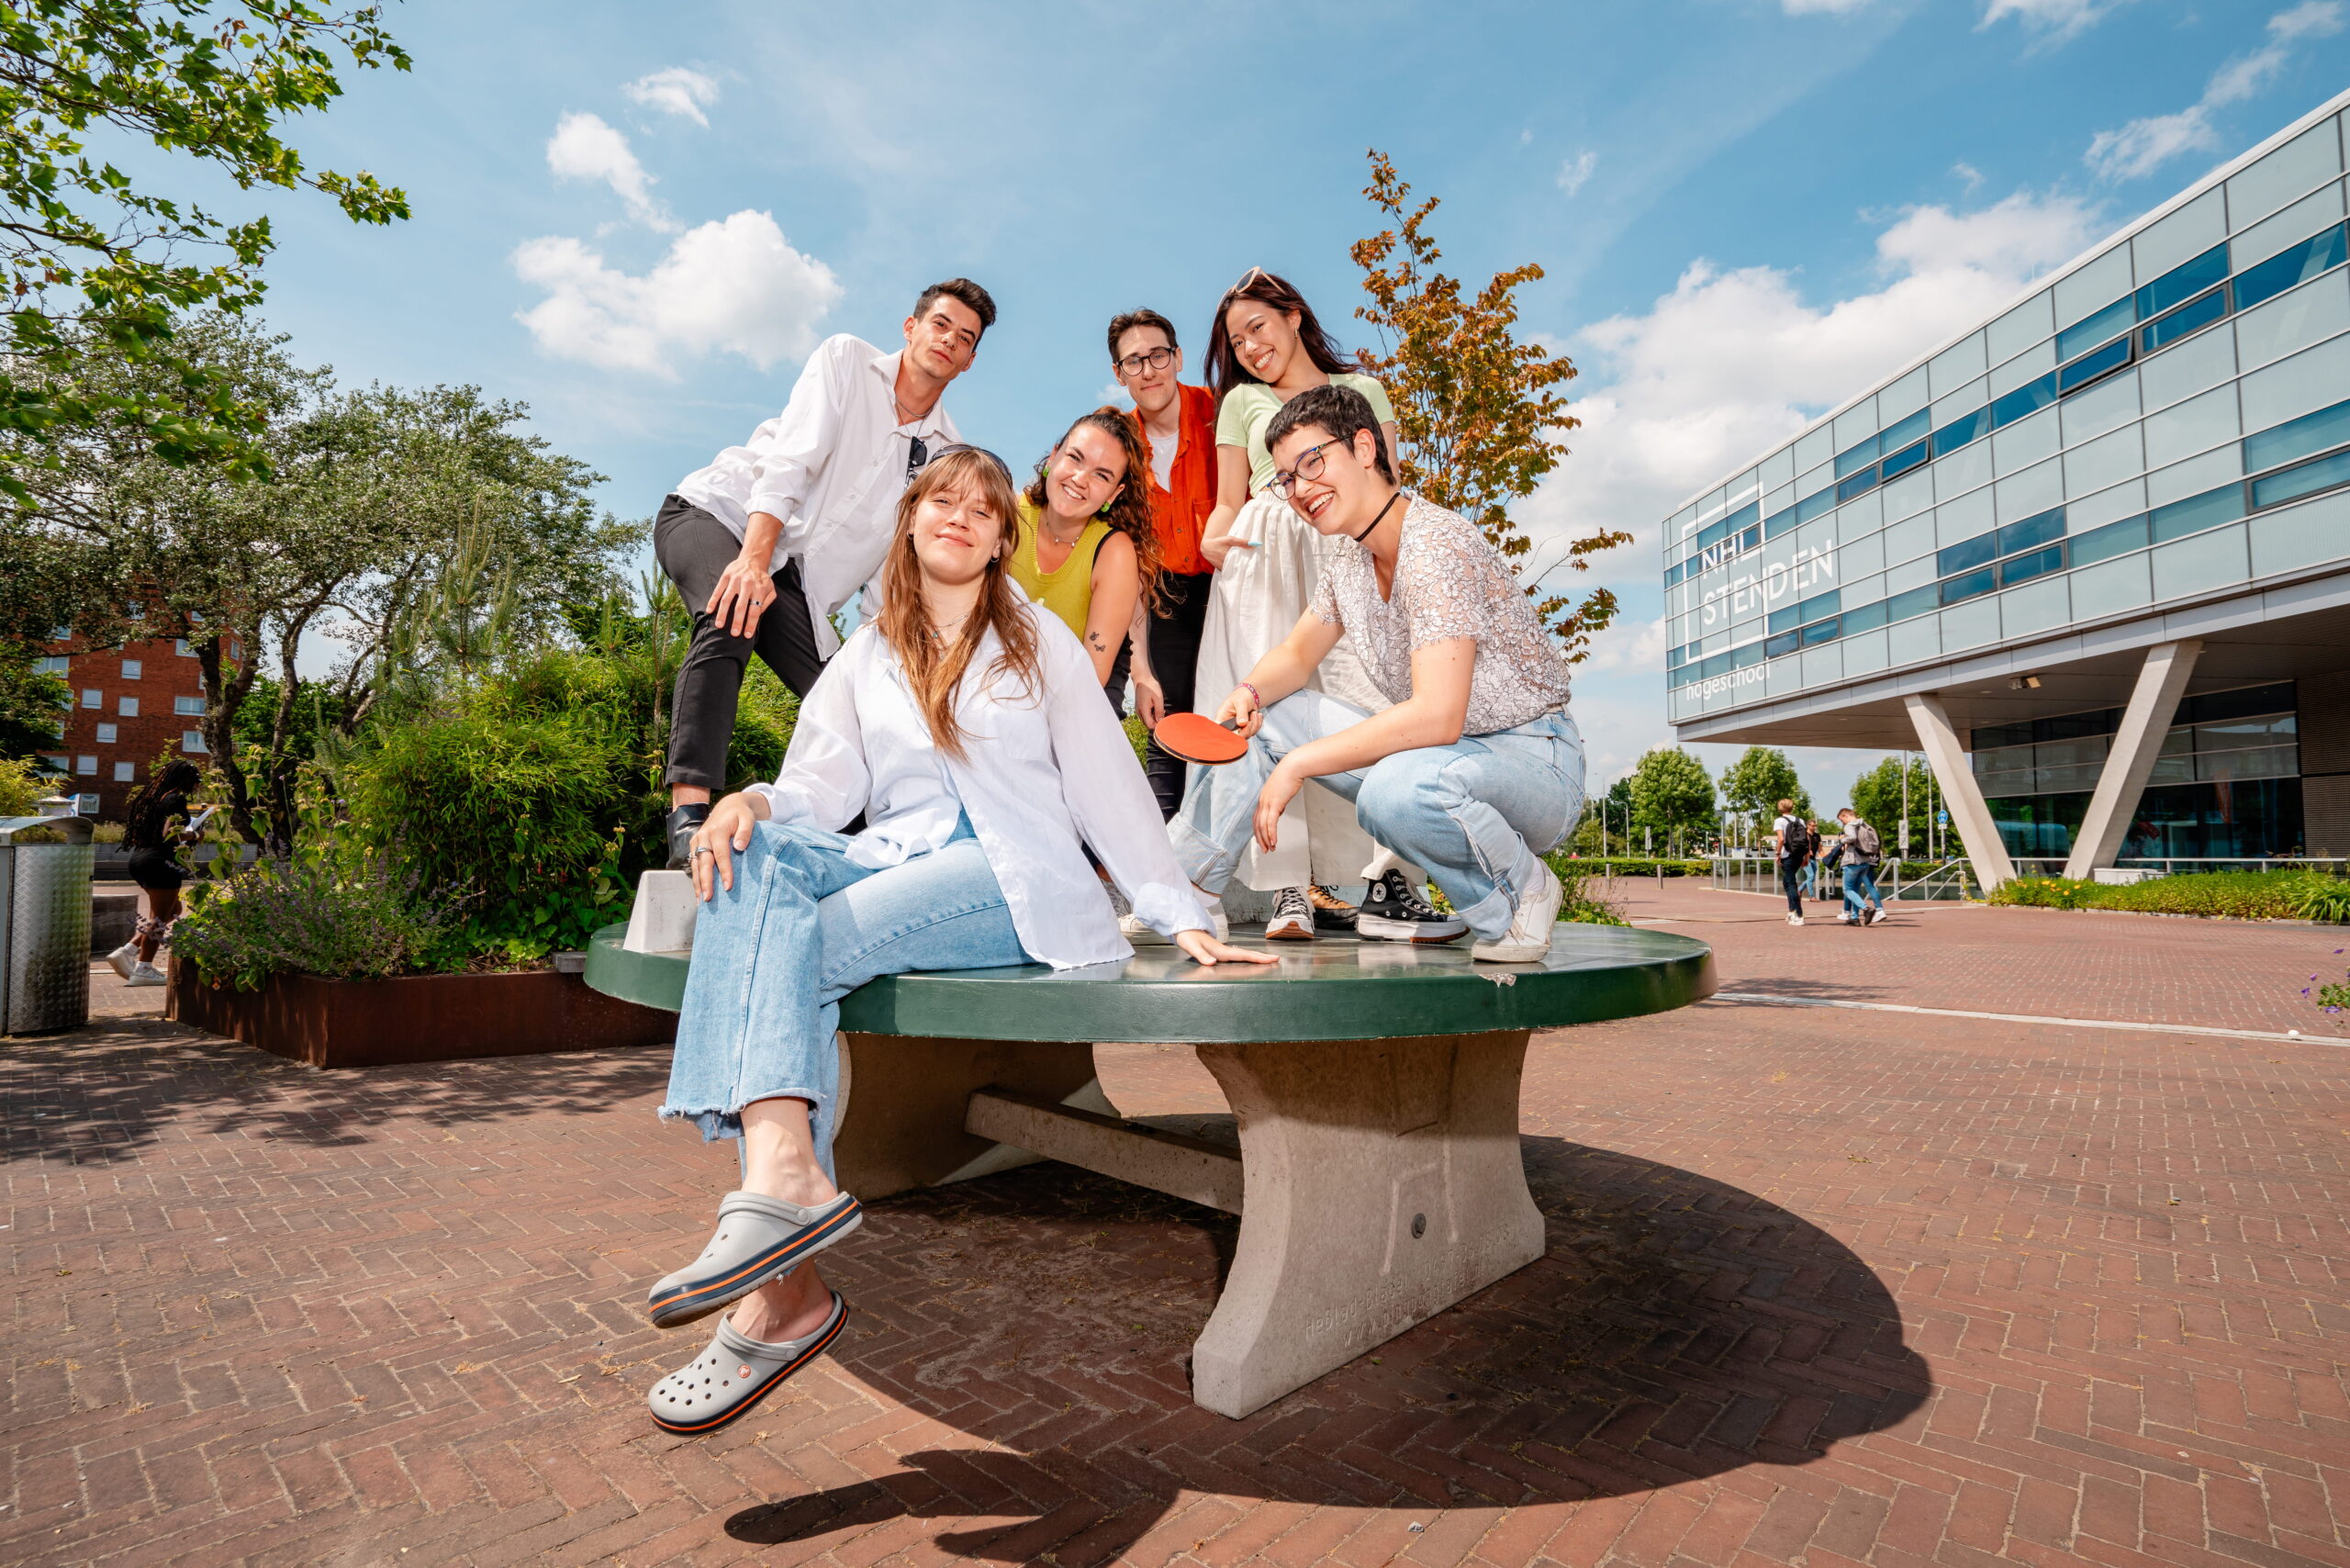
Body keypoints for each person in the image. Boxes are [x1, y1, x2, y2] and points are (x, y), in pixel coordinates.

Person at [643, 446, 1272, 1438]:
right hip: (899, 858)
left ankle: (779, 1282)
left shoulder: (1040, 642)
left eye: (982, 509)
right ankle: (783, 1186)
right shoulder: (867, 651)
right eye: (942, 499)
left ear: (998, 540)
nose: (960, 517)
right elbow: (819, 788)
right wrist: (751, 799)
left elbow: (1107, 783)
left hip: (1007, 872)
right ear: (912, 520)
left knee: (792, 949)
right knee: (751, 854)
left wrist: (1180, 910)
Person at [1165, 385, 1584, 964]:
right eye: (1286, 478)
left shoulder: (1434, 544)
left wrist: (1298, 764)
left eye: (1312, 463)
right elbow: (1295, 654)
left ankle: (1521, 893)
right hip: (1448, 760)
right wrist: (1248, 691)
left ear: (1365, 447)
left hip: (1533, 762)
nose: (1301, 490)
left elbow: (1438, 715)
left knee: (1397, 793)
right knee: (1265, 718)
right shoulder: (1349, 559)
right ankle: (1185, 890)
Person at [655, 278, 997, 868]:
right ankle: (687, 817)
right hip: (725, 517)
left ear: (968, 362)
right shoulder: (846, 361)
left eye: (965, 338)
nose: (949, 340)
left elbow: (896, 576)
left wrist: (891, 667)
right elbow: (791, 463)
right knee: (734, 608)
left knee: (859, 699)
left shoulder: (946, 455)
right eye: (941, 324)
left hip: (797, 581)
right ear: (912, 327)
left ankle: (881, 844)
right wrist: (753, 561)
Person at [1193, 268, 1423, 943]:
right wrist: (1214, 533)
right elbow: (1229, 498)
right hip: (1265, 550)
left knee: (1372, 700)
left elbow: (1389, 484)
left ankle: (1393, 879)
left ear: (1293, 315)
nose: (1248, 347)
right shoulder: (1241, 404)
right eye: (1236, 341)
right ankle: (1290, 890)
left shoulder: (1363, 391)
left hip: (1344, 543)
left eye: (1256, 328)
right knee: (1267, 711)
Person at [1108, 308, 1220, 820]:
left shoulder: (1220, 413)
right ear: (1119, 373)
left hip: (1229, 583)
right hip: (1162, 591)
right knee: (1165, 711)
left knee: (1235, 709)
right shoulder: (1117, 443)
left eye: (1158, 355)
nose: (1148, 370)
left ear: (1176, 358)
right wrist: (1140, 665)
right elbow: (1124, 560)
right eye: (1134, 361)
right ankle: (1167, 855)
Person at [1006, 408, 1163, 711]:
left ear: (1113, 495)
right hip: (1001, 675)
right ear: (1053, 457)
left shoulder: (1114, 553)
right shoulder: (1009, 516)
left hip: (1074, 687)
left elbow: (1090, 675)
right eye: (1075, 458)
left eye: (1101, 475)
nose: (1080, 478)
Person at [107, 760, 204, 987]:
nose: (196, 787)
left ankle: (128, 950)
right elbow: (171, 834)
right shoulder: (175, 799)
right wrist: (196, 836)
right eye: (195, 782)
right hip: (162, 861)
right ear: (184, 780)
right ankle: (144, 968)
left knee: (174, 910)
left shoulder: (152, 799)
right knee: (159, 918)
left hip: (141, 858)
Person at [1837, 807, 1887, 925]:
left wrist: (1843, 839)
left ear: (1846, 816)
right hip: (1865, 862)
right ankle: (1854, 918)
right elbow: (1875, 843)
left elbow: (1852, 837)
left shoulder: (1850, 825)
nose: (1842, 823)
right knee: (1855, 890)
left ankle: (1866, 909)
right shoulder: (1866, 825)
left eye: (1841, 820)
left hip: (1852, 861)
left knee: (1848, 889)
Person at [1773, 799, 1813, 926]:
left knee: (1790, 885)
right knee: (1787, 882)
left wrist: (1778, 854)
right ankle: (1791, 911)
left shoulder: (1779, 821)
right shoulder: (1800, 820)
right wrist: (1806, 856)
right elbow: (1807, 840)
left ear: (1781, 808)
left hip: (1787, 855)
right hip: (1799, 855)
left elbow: (1781, 839)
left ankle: (1799, 915)